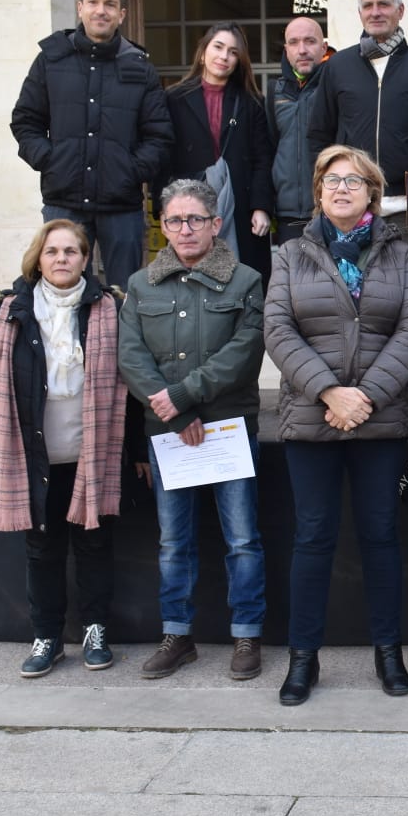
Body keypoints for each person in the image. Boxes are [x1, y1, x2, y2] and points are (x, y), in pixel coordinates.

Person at [265, 145, 408, 706]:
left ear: (372, 194)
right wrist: (331, 393)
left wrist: (366, 397)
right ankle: (302, 658)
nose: (341, 189)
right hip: (313, 417)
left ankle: (389, 652)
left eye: (353, 181)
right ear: (317, 191)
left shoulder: (400, 252)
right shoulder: (290, 254)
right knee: (313, 537)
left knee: (380, 536)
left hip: (381, 419)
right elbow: (278, 329)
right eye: (332, 180)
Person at [0, 221, 129, 677]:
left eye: (71, 251)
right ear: (38, 258)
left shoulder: (110, 309)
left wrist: (134, 453)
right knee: (42, 550)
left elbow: (130, 387)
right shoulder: (7, 312)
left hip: (91, 453)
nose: (61, 259)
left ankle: (95, 631)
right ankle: (47, 637)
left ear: (85, 259)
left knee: (95, 546)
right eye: (52, 251)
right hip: (32, 457)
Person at [119, 179, 267, 682]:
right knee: (173, 542)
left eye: (195, 220)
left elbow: (245, 351)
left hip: (228, 430)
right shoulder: (141, 285)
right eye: (175, 220)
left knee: (242, 539)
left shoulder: (245, 280)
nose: (185, 229)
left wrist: (184, 395)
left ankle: (247, 633)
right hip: (168, 435)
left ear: (215, 224)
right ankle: (177, 635)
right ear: (163, 226)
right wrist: (177, 415)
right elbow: (131, 358)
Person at [10, 0, 173, 288]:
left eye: (110, 4)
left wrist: (130, 171)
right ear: (80, 8)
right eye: (93, 2)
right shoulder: (50, 61)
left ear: (121, 14)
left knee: (125, 295)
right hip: (64, 201)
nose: (101, 10)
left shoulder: (140, 68)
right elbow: (25, 121)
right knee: (63, 291)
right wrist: (50, 160)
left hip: (121, 205)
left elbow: (159, 136)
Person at [307, 0, 408, 262]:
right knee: (349, 284)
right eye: (368, 5)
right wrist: (322, 193)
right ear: (360, 13)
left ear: (400, 11)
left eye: (384, 4)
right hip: (349, 203)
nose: (375, 12)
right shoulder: (338, 67)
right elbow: (319, 136)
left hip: (405, 209)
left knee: (401, 285)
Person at [161, 22, 276, 288]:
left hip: (241, 206)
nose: (224, 56)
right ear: (203, 52)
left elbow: (263, 158)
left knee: (243, 282)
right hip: (189, 204)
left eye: (233, 52)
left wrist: (261, 207)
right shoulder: (174, 98)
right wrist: (165, 209)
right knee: (191, 282)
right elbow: (164, 155)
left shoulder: (251, 102)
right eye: (218, 47)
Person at [268, 15, 334, 245]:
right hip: (288, 215)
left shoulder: (336, 88)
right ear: (286, 50)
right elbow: (269, 150)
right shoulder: (274, 92)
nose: (302, 50)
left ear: (323, 47)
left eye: (310, 41)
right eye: (294, 42)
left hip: (331, 211)